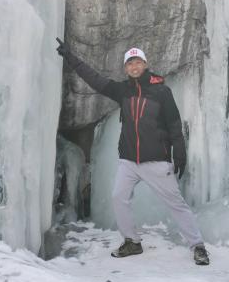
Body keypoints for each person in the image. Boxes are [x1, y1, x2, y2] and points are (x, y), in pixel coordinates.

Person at [56, 39, 210, 265]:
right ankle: (132, 241)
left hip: (156, 162)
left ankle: (197, 246)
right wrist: (70, 58)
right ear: (126, 68)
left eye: (138, 62)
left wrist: (179, 154)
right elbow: (95, 80)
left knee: (176, 204)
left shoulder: (161, 91)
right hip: (129, 162)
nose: (134, 66)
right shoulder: (122, 91)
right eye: (130, 63)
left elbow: (174, 124)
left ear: (145, 64)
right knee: (119, 198)